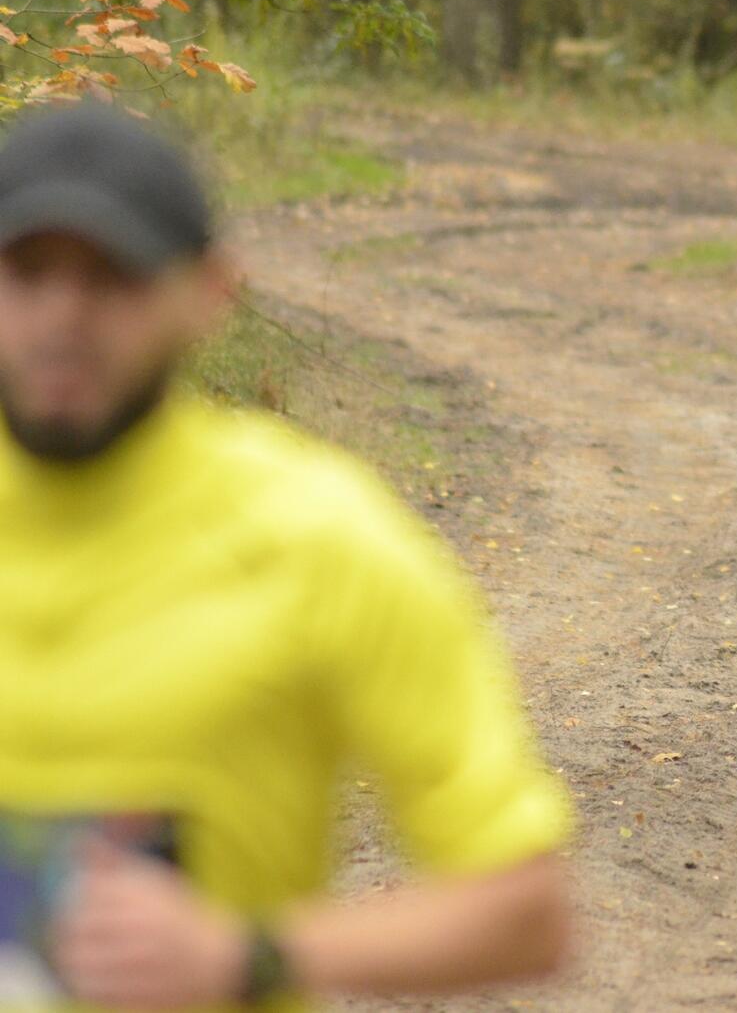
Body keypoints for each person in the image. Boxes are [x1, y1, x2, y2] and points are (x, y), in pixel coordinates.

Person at [0, 102, 574, 1010]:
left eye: (113, 276)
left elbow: (526, 910)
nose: (62, 316)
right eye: (27, 272)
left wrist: (244, 955)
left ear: (210, 293)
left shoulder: (320, 537)